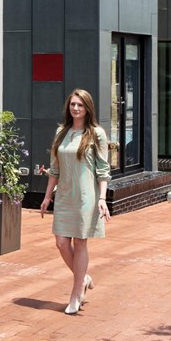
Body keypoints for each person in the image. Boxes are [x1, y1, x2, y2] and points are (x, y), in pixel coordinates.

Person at [39, 88, 110, 315]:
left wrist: (102, 198)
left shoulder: (96, 134)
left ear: (87, 108)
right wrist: (47, 196)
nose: (76, 108)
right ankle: (84, 277)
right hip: (64, 196)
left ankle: (76, 293)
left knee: (80, 243)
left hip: (85, 196)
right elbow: (55, 169)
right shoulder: (62, 132)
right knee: (61, 242)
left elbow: (103, 170)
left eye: (80, 105)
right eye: (73, 105)